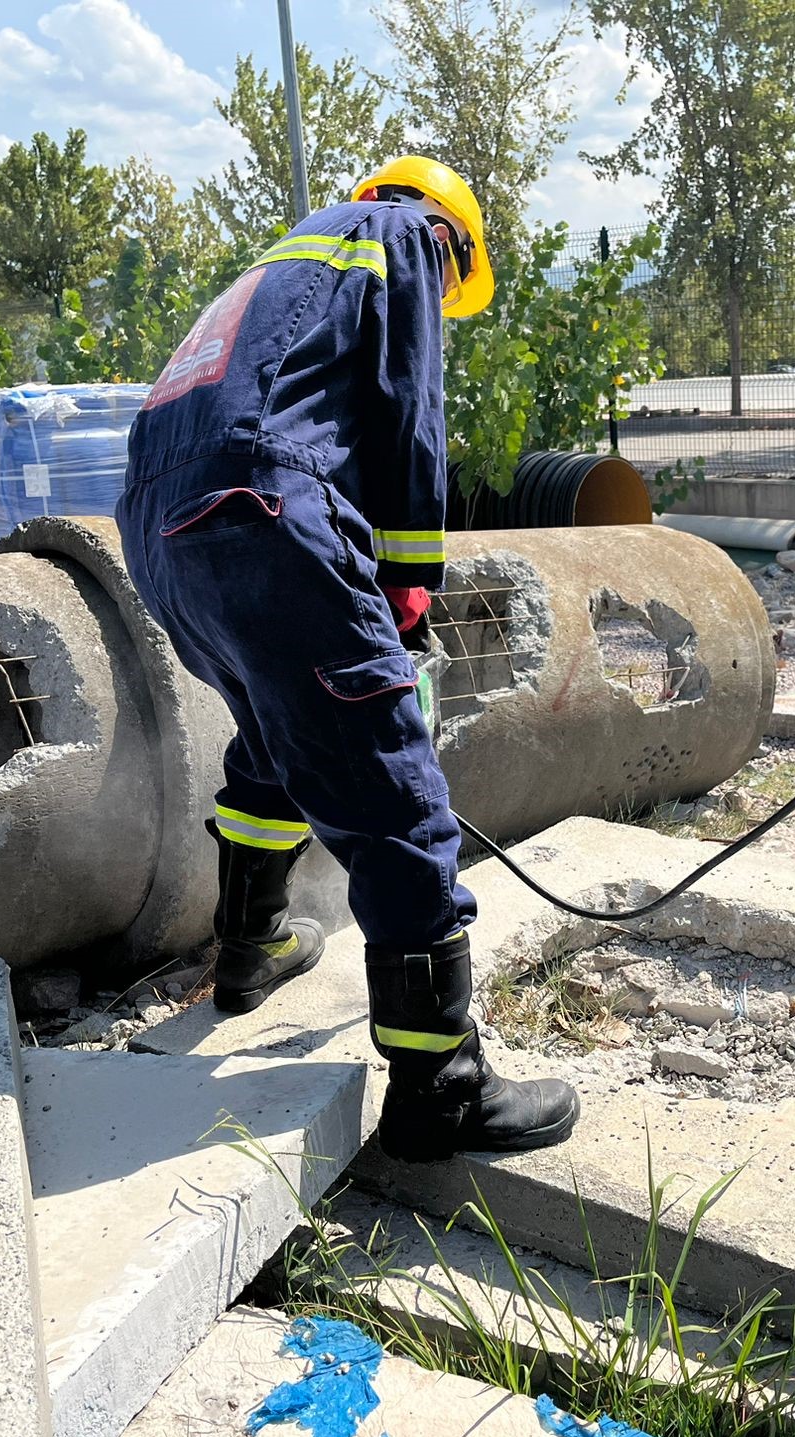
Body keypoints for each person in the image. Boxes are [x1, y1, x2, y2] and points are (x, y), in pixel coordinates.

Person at [114, 156, 579, 1164]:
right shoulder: (404, 234)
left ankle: (250, 950)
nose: (447, 299)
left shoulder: (277, 271)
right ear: (450, 235)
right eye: (458, 287)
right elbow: (406, 415)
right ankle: (440, 1089)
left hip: (160, 529)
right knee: (393, 789)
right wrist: (408, 593)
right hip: (260, 511)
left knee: (279, 732)